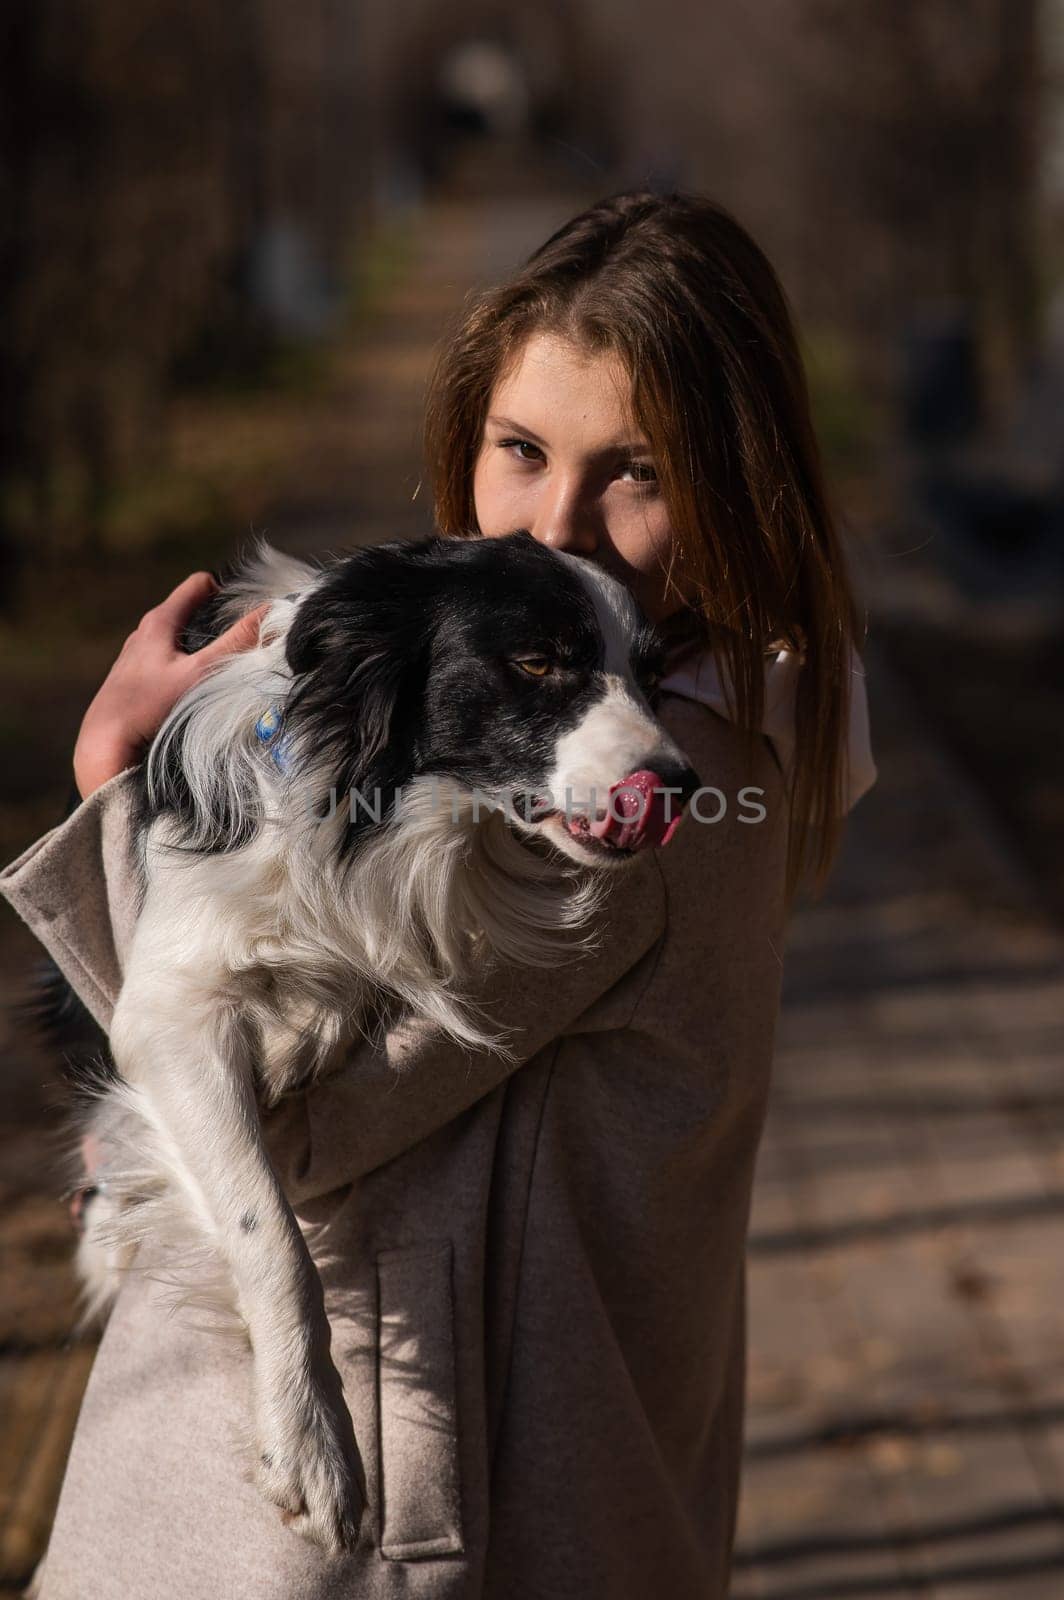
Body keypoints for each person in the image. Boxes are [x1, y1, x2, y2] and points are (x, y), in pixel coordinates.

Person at [1, 190, 876, 1600]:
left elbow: (293, 1123)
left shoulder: (650, 798)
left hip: (396, 1509)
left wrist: (116, 787)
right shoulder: (700, 711)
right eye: (521, 451)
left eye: (636, 473)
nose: (562, 527)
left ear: (736, 480)